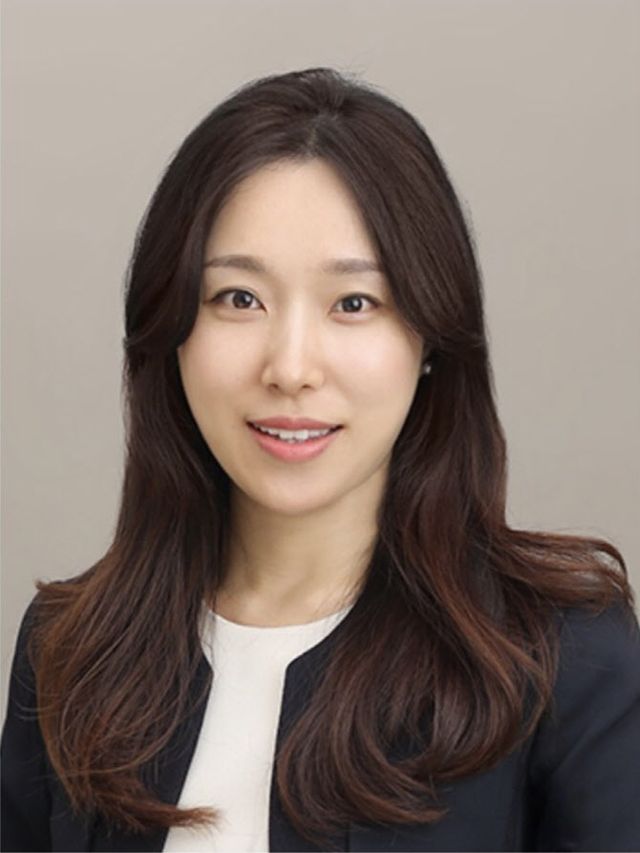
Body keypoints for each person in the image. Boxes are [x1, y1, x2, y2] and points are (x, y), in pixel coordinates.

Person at [1, 66, 639, 853]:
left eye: (353, 303)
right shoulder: (70, 651)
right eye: (239, 298)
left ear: (430, 337)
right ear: (171, 329)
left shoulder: (564, 661)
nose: (291, 367)